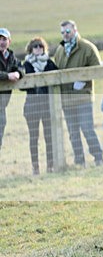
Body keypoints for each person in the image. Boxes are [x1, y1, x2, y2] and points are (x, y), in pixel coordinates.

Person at [52, 20, 103, 167]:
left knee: (87, 129)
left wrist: (84, 81)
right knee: (73, 133)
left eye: (67, 31)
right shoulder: (60, 51)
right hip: (66, 98)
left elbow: (97, 69)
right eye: (62, 32)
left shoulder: (87, 48)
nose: (65, 35)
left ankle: (98, 157)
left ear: (75, 30)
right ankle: (79, 161)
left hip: (83, 97)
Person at [22, 37, 58, 174]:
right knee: (33, 137)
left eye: (40, 46)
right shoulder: (26, 65)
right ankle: (35, 166)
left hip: (47, 105)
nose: (38, 48)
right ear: (30, 49)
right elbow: (22, 86)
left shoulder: (49, 63)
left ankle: (50, 165)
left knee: (49, 136)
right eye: (35, 46)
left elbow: (57, 77)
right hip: (32, 105)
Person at [0, 27, 24, 152]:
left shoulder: (11, 57)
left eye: (4, 39)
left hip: (2, 104)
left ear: (9, 41)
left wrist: (18, 74)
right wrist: (7, 76)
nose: (1, 42)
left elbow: (21, 67)